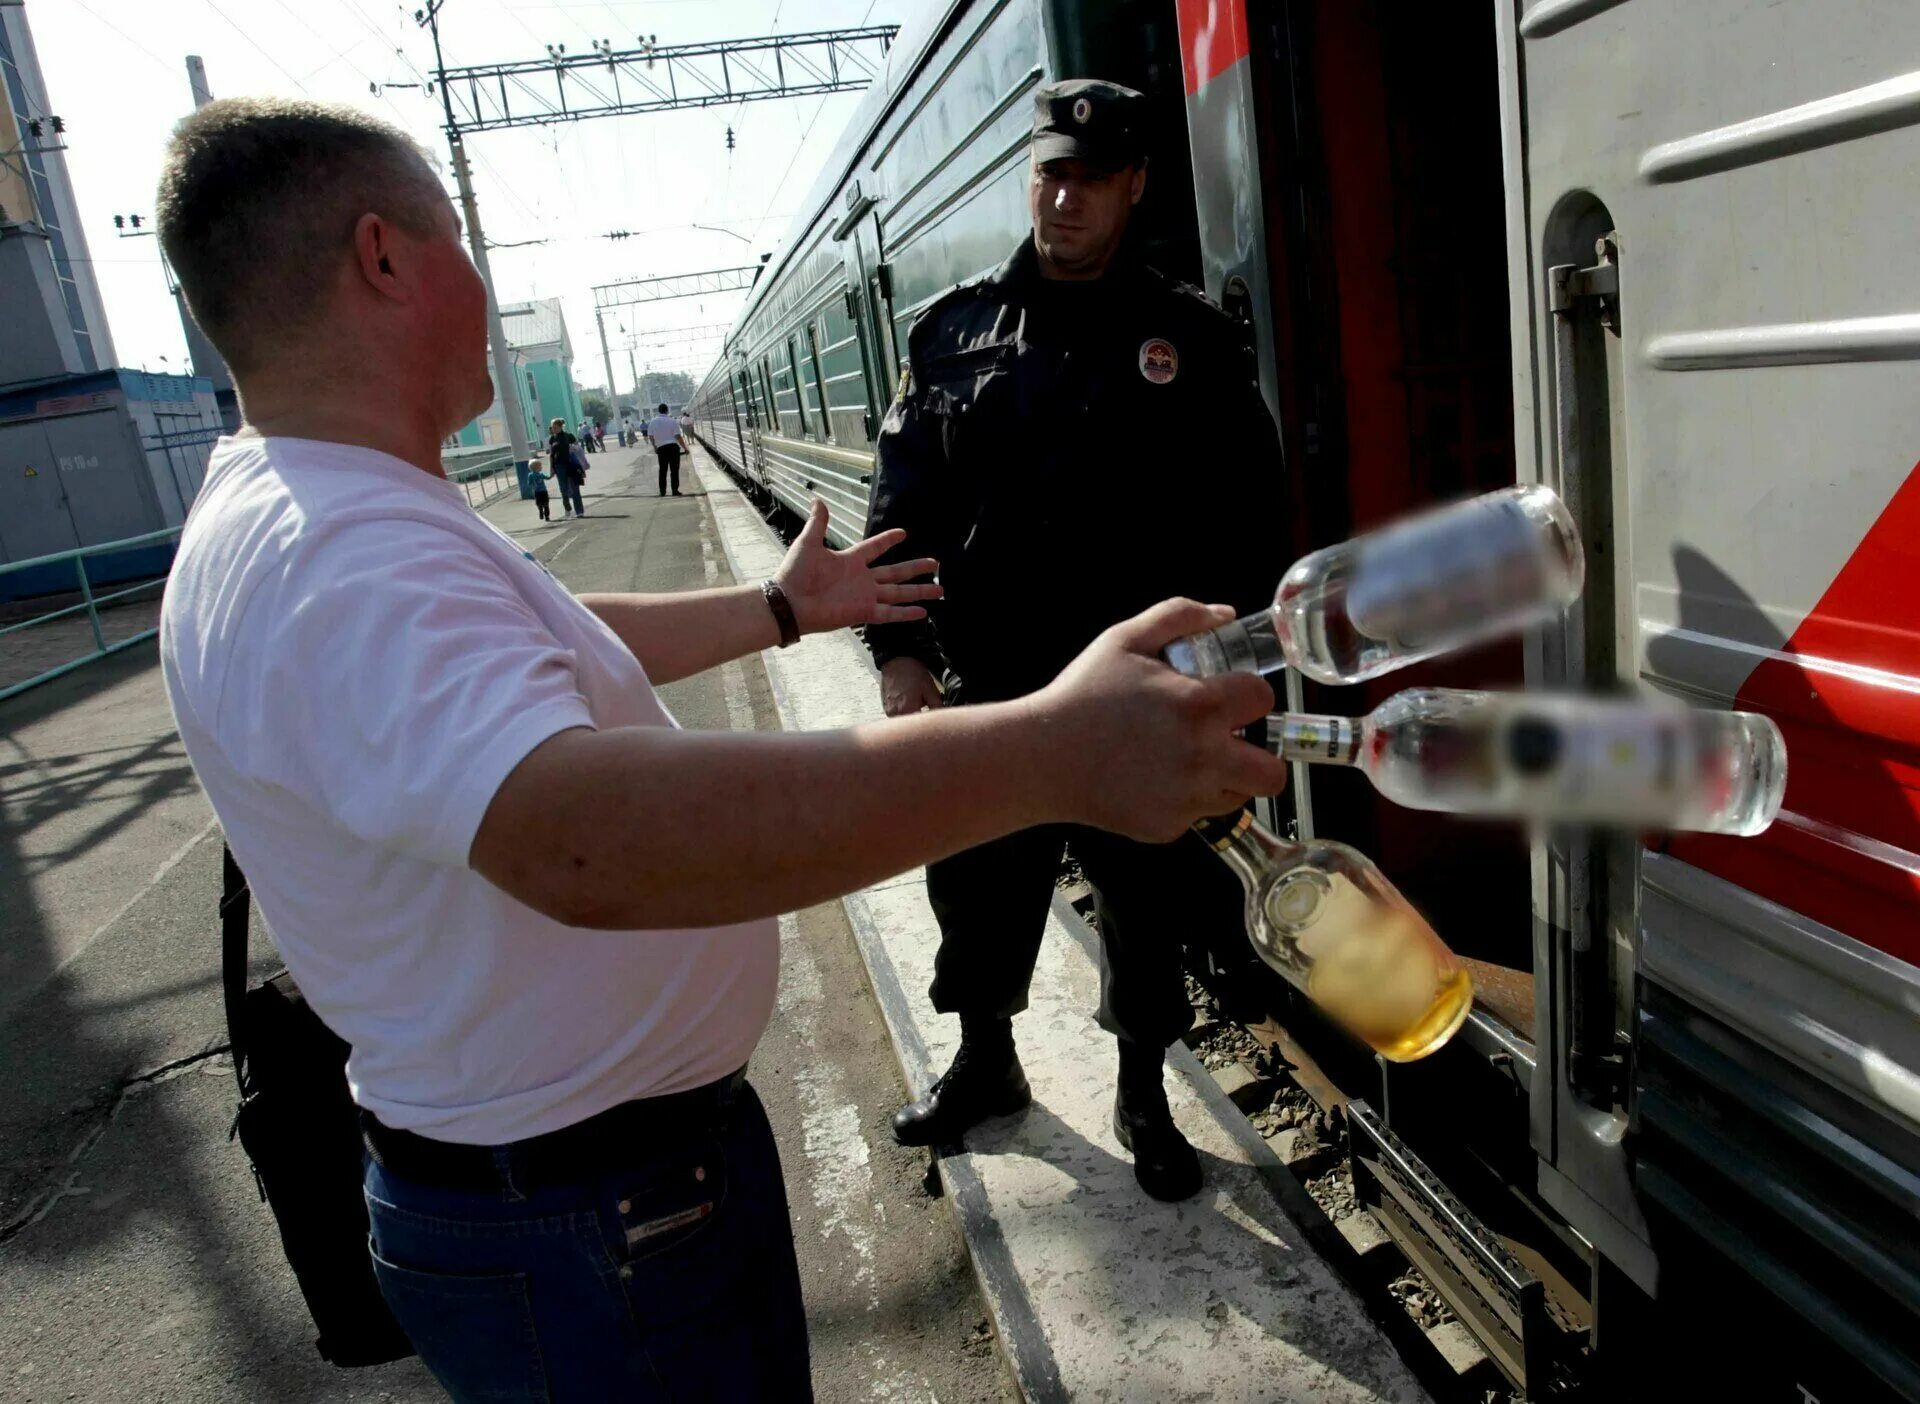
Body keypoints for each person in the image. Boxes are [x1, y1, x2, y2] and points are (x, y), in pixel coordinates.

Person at [152, 97, 1284, 1401]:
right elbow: (588, 839)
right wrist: (1051, 751)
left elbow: (537, 635)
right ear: (385, 258)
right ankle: (991, 1046)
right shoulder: (343, 555)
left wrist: (781, 609)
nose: (480, 274)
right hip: (588, 1226)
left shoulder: (300, 509)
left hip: (572, 1192)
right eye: (456, 235)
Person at [864, 79, 1283, 1202]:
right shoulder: (952, 332)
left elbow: (1248, 527)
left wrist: (1234, 689)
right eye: (1051, 173)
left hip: (1141, 695)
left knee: (1146, 905)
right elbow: (902, 506)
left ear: (1134, 186)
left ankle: (1144, 1087)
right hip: (992, 682)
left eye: (1090, 179)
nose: (1065, 198)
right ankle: (985, 1064)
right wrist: (901, 653)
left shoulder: (1189, 340)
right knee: (976, 884)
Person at [547, 418, 586, 517]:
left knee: (575, 488)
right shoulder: (552, 439)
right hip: (559, 466)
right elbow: (551, 455)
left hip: (571, 465)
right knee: (563, 489)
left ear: (560, 427)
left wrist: (575, 452)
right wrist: (551, 468)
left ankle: (579, 511)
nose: (553, 429)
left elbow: (578, 449)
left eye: (555, 427)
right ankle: (567, 508)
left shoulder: (569, 436)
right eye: (552, 428)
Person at [647, 401, 684, 497]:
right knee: (674, 470)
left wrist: (654, 446)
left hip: (661, 448)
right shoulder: (672, 421)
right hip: (673, 447)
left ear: (658, 411)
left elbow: (650, 436)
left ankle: (662, 491)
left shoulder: (653, 421)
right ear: (667, 411)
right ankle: (675, 490)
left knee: (662, 470)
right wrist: (685, 448)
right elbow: (678, 436)